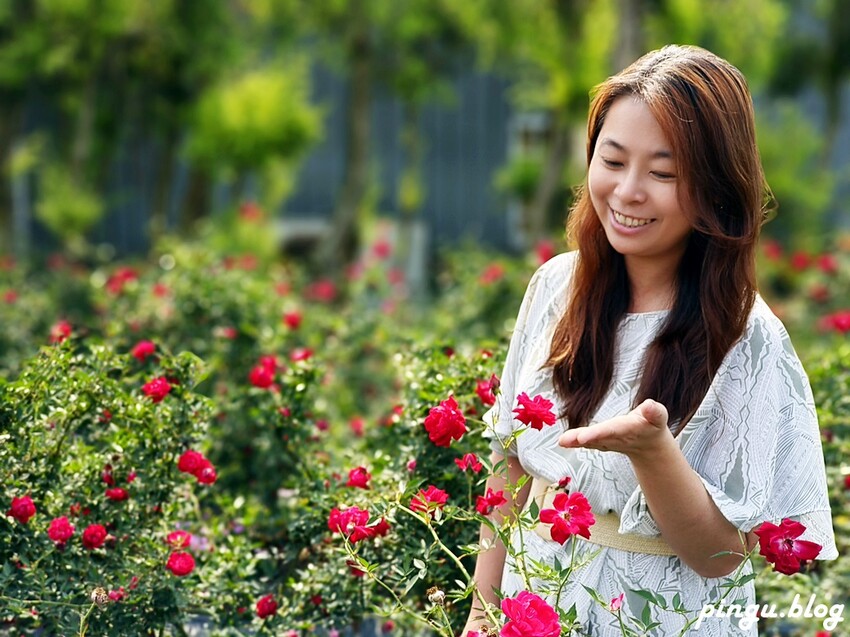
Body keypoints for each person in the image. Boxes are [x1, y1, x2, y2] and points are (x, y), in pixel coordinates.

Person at [461, 45, 837, 636]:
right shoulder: (556, 286)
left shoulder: (747, 336)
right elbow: (509, 464)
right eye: (612, 160)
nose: (628, 191)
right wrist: (482, 613)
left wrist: (653, 451)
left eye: (663, 173)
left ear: (716, 188)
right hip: (537, 603)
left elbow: (720, 556)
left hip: (666, 617)